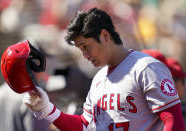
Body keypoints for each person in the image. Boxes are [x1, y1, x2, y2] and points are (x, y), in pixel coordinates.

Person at [19, 8, 184, 130]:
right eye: (80, 49)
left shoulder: (146, 67)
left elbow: (173, 120)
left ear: (105, 36)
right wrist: (47, 109)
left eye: (86, 46)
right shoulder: (98, 79)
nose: (84, 54)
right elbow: (84, 125)